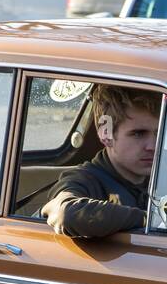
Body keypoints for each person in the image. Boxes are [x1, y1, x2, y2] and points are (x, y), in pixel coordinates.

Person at [42, 85, 160, 238]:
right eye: (138, 134)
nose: (153, 146)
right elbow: (66, 212)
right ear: (106, 133)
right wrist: (149, 219)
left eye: (159, 133)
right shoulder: (84, 180)